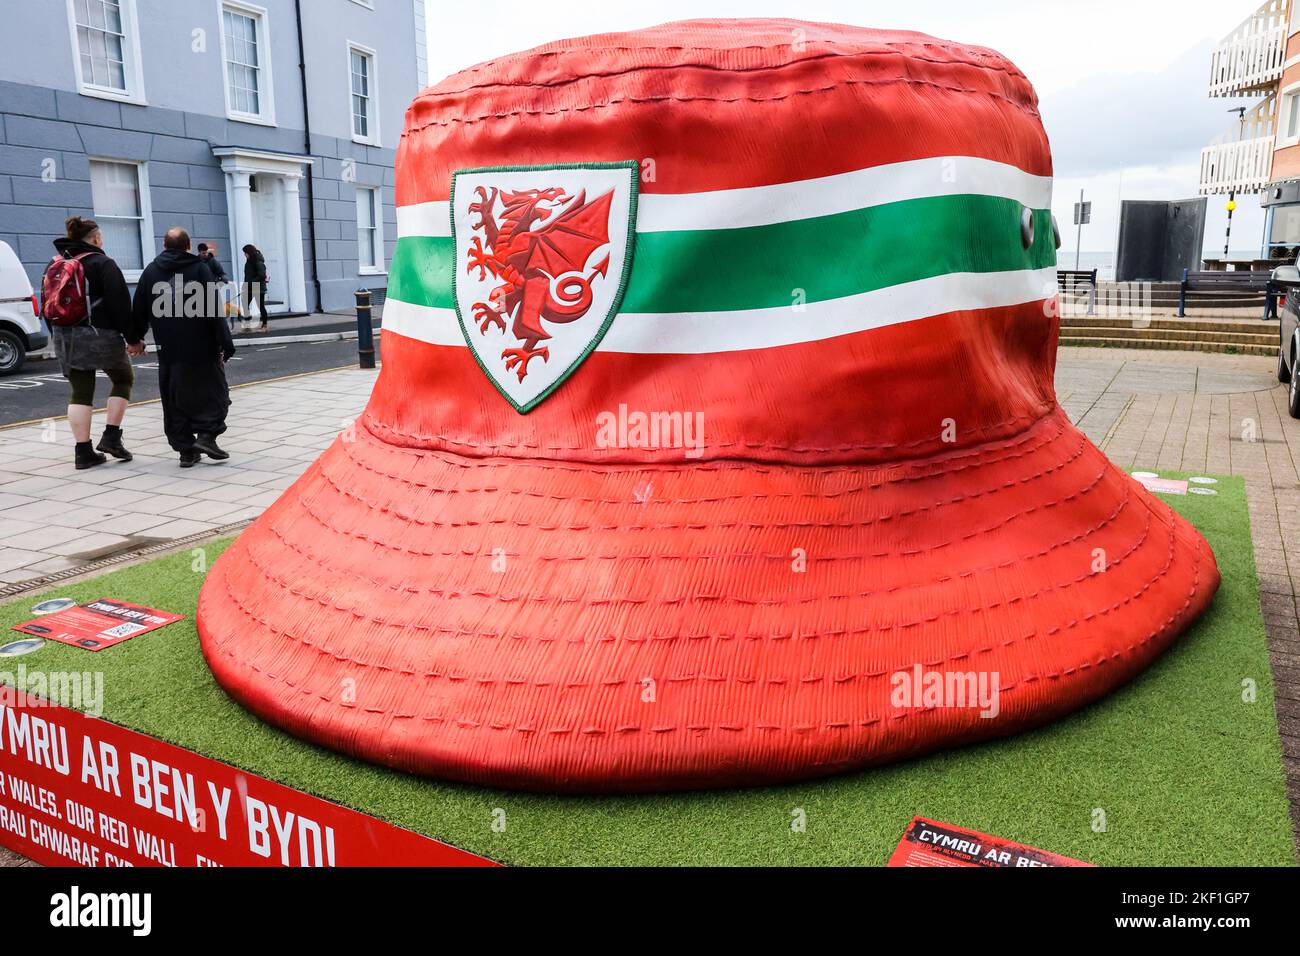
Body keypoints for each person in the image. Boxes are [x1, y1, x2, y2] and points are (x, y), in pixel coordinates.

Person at [47, 216, 146, 470]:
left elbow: (49, 305)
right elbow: (120, 305)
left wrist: (57, 334)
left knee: (81, 391)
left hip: (65, 335)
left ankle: (83, 452)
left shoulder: (56, 263)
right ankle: (111, 437)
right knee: (123, 379)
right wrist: (133, 339)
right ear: (96, 239)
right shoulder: (103, 263)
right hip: (100, 335)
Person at [132, 227, 236, 467]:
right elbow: (213, 308)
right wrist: (225, 342)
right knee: (215, 394)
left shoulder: (151, 272)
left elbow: (139, 308)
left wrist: (135, 338)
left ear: (165, 247)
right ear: (188, 246)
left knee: (174, 398)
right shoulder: (199, 268)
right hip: (202, 348)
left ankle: (186, 451)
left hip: (169, 349)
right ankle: (207, 437)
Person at [198, 242, 235, 331]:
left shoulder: (212, 261)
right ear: (199, 252)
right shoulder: (196, 262)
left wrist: (223, 279)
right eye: (203, 253)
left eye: (206, 252)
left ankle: (221, 327)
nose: (206, 254)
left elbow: (221, 273)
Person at [241, 244, 269, 331]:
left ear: (249, 252)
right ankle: (247, 324)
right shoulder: (249, 261)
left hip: (258, 287)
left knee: (260, 306)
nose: (245, 255)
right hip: (249, 287)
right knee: (245, 304)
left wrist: (250, 282)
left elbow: (261, 276)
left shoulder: (258, 262)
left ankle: (265, 325)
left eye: (245, 253)